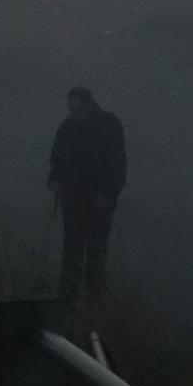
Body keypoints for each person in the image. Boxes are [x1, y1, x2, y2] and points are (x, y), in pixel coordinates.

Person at [47, 86, 126, 302]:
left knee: (95, 252)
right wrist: (54, 180)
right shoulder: (68, 127)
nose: (74, 114)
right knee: (71, 248)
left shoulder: (109, 125)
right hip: (72, 199)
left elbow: (118, 165)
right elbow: (57, 159)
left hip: (99, 201)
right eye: (72, 109)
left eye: (78, 109)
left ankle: (94, 300)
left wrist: (108, 194)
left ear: (89, 104)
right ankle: (68, 298)